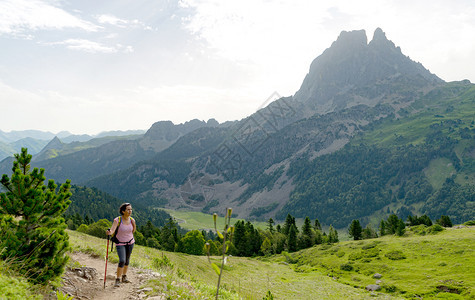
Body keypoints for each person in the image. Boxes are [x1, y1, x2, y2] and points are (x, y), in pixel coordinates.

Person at [106, 203, 136, 287]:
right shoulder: (117, 220)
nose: (130, 211)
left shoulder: (132, 220)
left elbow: (133, 230)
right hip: (120, 243)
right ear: (123, 211)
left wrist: (128, 237)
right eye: (128, 209)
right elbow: (112, 230)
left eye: (131, 209)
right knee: (122, 260)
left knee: (127, 260)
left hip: (130, 242)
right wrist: (109, 233)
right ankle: (118, 279)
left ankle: (124, 276)